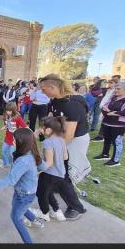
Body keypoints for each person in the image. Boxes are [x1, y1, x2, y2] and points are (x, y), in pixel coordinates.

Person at [40, 74, 88, 220]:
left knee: (63, 174)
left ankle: (76, 208)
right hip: (60, 138)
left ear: (53, 87)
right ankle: (56, 186)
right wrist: (43, 129)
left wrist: (56, 151)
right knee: (57, 170)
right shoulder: (55, 101)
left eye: (44, 89)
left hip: (74, 140)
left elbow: (69, 134)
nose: (42, 92)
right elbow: (50, 118)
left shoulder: (72, 104)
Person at [0, 128, 48, 244]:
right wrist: (32, 173)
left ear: (22, 143)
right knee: (18, 207)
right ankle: (36, 221)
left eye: (15, 140)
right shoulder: (32, 152)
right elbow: (44, 167)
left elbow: (11, 179)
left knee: (15, 217)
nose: (12, 141)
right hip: (27, 191)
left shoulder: (24, 160)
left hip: (24, 194)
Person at [30, 116, 68, 222]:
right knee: (48, 191)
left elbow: (49, 163)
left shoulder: (48, 142)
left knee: (41, 193)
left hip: (49, 174)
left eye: (42, 128)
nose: (41, 130)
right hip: (60, 174)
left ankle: (44, 213)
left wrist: (38, 170)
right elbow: (65, 157)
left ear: (49, 129)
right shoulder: (61, 140)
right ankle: (57, 211)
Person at [93, 82, 125, 167]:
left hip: (119, 125)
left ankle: (116, 160)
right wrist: (107, 110)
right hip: (107, 122)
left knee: (117, 142)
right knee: (107, 140)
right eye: (115, 88)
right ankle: (105, 154)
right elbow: (104, 107)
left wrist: (112, 112)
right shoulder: (113, 97)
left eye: (118, 89)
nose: (116, 90)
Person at [0, 102, 27, 168]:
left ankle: (13, 166)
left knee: (11, 154)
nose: (8, 112)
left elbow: (25, 127)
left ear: (14, 110)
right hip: (7, 138)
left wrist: (32, 133)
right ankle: (5, 163)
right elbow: (6, 125)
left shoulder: (17, 118)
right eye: (7, 110)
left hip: (15, 140)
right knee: (4, 151)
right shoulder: (6, 117)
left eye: (10, 111)